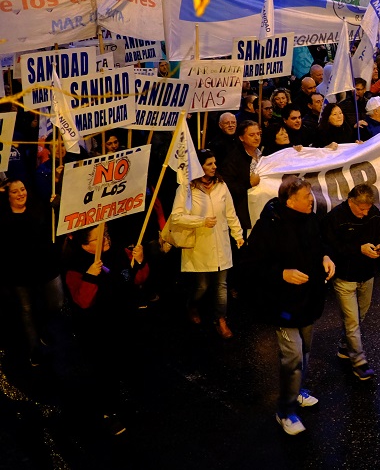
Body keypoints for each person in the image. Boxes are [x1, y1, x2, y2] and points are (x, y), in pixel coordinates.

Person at [245, 176, 335, 435]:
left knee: (305, 351)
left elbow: (321, 244)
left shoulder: (310, 218)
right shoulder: (268, 227)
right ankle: (285, 411)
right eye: (307, 196)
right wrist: (281, 273)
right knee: (292, 356)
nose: (312, 200)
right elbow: (250, 267)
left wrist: (327, 256)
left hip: (309, 299)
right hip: (281, 304)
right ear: (290, 200)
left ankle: (297, 391)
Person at [63, 224, 149, 435]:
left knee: (124, 363)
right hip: (96, 331)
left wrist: (139, 262)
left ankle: (123, 399)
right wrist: (91, 276)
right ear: (85, 245)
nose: (107, 239)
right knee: (104, 371)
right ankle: (107, 413)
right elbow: (82, 301)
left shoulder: (120, 252)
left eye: (107, 234)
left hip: (122, 321)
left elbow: (134, 279)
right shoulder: (74, 267)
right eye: (100, 237)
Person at [170, 149, 244, 338]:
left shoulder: (221, 185)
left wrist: (238, 234)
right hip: (200, 245)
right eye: (209, 164)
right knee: (202, 286)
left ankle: (220, 319)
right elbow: (176, 217)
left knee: (221, 285)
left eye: (214, 163)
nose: (214, 167)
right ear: (199, 167)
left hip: (221, 242)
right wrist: (200, 221)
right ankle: (192, 306)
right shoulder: (186, 189)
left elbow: (230, 213)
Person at [322, 184, 380, 380]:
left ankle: (345, 344)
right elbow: (333, 247)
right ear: (351, 201)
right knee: (352, 321)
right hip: (345, 278)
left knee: (361, 315)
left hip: (367, 275)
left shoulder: (373, 213)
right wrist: (359, 249)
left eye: (368, 209)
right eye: (361, 209)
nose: (365, 213)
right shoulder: (335, 218)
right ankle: (359, 363)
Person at [2, 179, 63, 366]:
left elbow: (54, 227)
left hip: (45, 267)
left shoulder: (38, 207)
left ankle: (43, 329)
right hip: (20, 273)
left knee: (56, 303)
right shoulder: (3, 218)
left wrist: (56, 206)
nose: (21, 194)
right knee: (27, 310)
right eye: (15, 192)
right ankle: (35, 348)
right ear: (7, 196)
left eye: (23, 189)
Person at [219, 120, 262, 235]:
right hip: (244, 212)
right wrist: (249, 184)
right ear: (241, 138)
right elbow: (227, 186)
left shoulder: (263, 153)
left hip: (262, 207)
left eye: (258, 134)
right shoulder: (233, 159)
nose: (257, 138)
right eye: (252, 135)